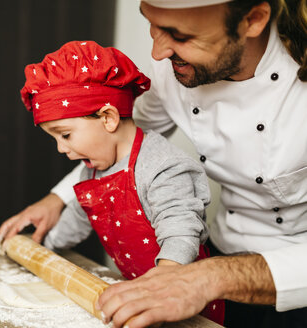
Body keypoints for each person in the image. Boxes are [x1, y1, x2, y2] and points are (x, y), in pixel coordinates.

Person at [0, 0, 307, 327]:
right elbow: (120, 145)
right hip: (219, 255)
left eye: (179, 35)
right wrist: (57, 199)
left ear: (253, 20)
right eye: (153, 27)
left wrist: (202, 276)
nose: (157, 54)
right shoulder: (173, 67)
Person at [16, 40, 223, 324]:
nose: (61, 149)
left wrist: (162, 282)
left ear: (108, 117)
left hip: (186, 304)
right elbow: (77, 218)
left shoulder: (161, 166)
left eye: (64, 135)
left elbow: (181, 231)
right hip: (138, 297)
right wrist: (40, 248)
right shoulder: (92, 169)